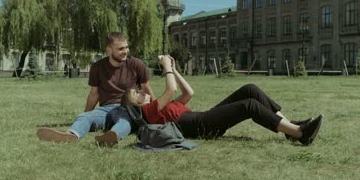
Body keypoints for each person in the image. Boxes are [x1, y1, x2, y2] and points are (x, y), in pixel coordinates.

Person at [121, 55, 323, 146]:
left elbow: (188, 92)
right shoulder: (150, 112)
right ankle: (300, 134)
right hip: (199, 126)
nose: (140, 91)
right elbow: (171, 88)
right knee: (249, 106)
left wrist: (173, 69)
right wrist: (165, 66)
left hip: (201, 119)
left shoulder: (161, 107)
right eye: (136, 94)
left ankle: (288, 128)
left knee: (250, 89)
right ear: (136, 105)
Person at [37, 32, 155, 146]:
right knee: (84, 117)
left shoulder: (136, 64)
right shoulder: (97, 67)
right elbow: (94, 94)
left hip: (128, 109)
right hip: (106, 110)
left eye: (126, 47)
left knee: (124, 122)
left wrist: (157, 112)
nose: (125, 51)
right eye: (121, 49)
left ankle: (112, 136)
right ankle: (70, 135)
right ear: (109, 49)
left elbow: (147, 89)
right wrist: (87, 114)